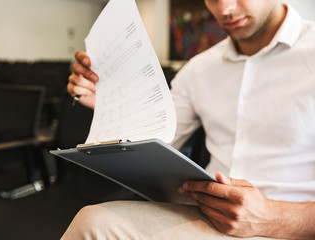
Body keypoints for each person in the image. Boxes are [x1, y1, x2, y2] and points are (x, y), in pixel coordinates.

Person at [64, 0, 315, 239]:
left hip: (290, 228)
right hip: (206, 216)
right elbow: (154, 138)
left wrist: (273, 217)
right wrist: (112, 104)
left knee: (94, 224)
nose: (225, 9)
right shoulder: (198, 69)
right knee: (95, 221)